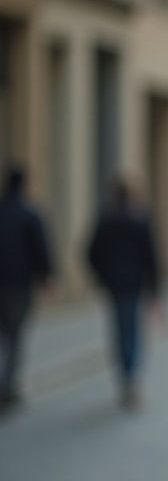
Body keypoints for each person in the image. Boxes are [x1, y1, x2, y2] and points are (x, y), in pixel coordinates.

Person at [86, 177, 161, 409]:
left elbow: (91, 252)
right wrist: (155, 288)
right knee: (131, 329)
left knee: (120, 328)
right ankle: (130, 375)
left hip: (115, 284)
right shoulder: (139, 219)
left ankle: (126, 373)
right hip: (133, 283)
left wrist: (101, 275)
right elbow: (151, 256)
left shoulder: (106, 220)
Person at [0, 164, 52, 411]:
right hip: (19, 284)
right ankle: (8, 386)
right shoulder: (30, 214)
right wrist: (46, 277)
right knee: (15, 335)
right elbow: (41, 248)